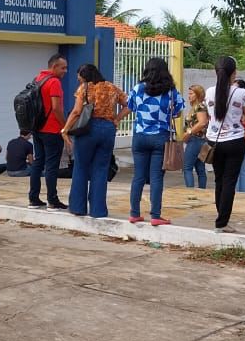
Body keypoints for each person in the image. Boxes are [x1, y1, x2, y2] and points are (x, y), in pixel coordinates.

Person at [62, 63, 129, 218]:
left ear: (84, 77)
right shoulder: (112, 87)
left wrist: (65, 129)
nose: (79, 81)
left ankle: (78, 207)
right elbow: (130, 105)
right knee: (101, 169)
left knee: (81, 167)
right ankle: (98, 210)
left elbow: (77, 111)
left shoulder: (84, 88)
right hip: (108, 129)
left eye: (80, 78)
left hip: (88, 129)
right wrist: (117, 119)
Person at [126, 57, 185, 225]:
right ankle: (155, 216)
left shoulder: (138, 88)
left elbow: (131, 106)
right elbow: (178, 112)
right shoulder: (170, 90)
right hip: (160, 137)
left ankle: (134, 213)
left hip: (140, 136)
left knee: (138, 176)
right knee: (156, 177)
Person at [205, 58, 245, 232]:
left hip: (214, 141)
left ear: (215, 72)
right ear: (234, 72)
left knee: (219, 180)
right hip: (235, 140)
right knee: (229, 182)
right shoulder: (241, 93)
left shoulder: (209, 92)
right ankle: (222, 222)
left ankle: (221, 218)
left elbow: (210, 115)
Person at [28, 54, 69, 209]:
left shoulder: (38, 79)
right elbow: (57, 108)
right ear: (54, 67)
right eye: (63, 67)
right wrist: (65, 126)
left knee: (38, 163)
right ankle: (52, 199)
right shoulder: (54, 82)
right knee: (51, 166)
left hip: (37, 128)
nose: (65, 71)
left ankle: (33, 198)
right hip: (52, 129)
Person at [182, 84, 209, 188]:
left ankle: (190, 191)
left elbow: (202, 122)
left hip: (196, 140)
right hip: (201, 140)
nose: (189, 96)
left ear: (197, 94)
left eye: (191, 93)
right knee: (200, 168)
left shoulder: (199, 107)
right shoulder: (196, 107)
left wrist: (189, 132)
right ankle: (202, 190)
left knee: (187, 167)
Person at [234, 78, 245, 193]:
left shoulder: (237, 104)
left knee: (236, 167)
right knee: (243, 167)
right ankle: (244, 192)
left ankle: (235, 191)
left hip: (239, 137)